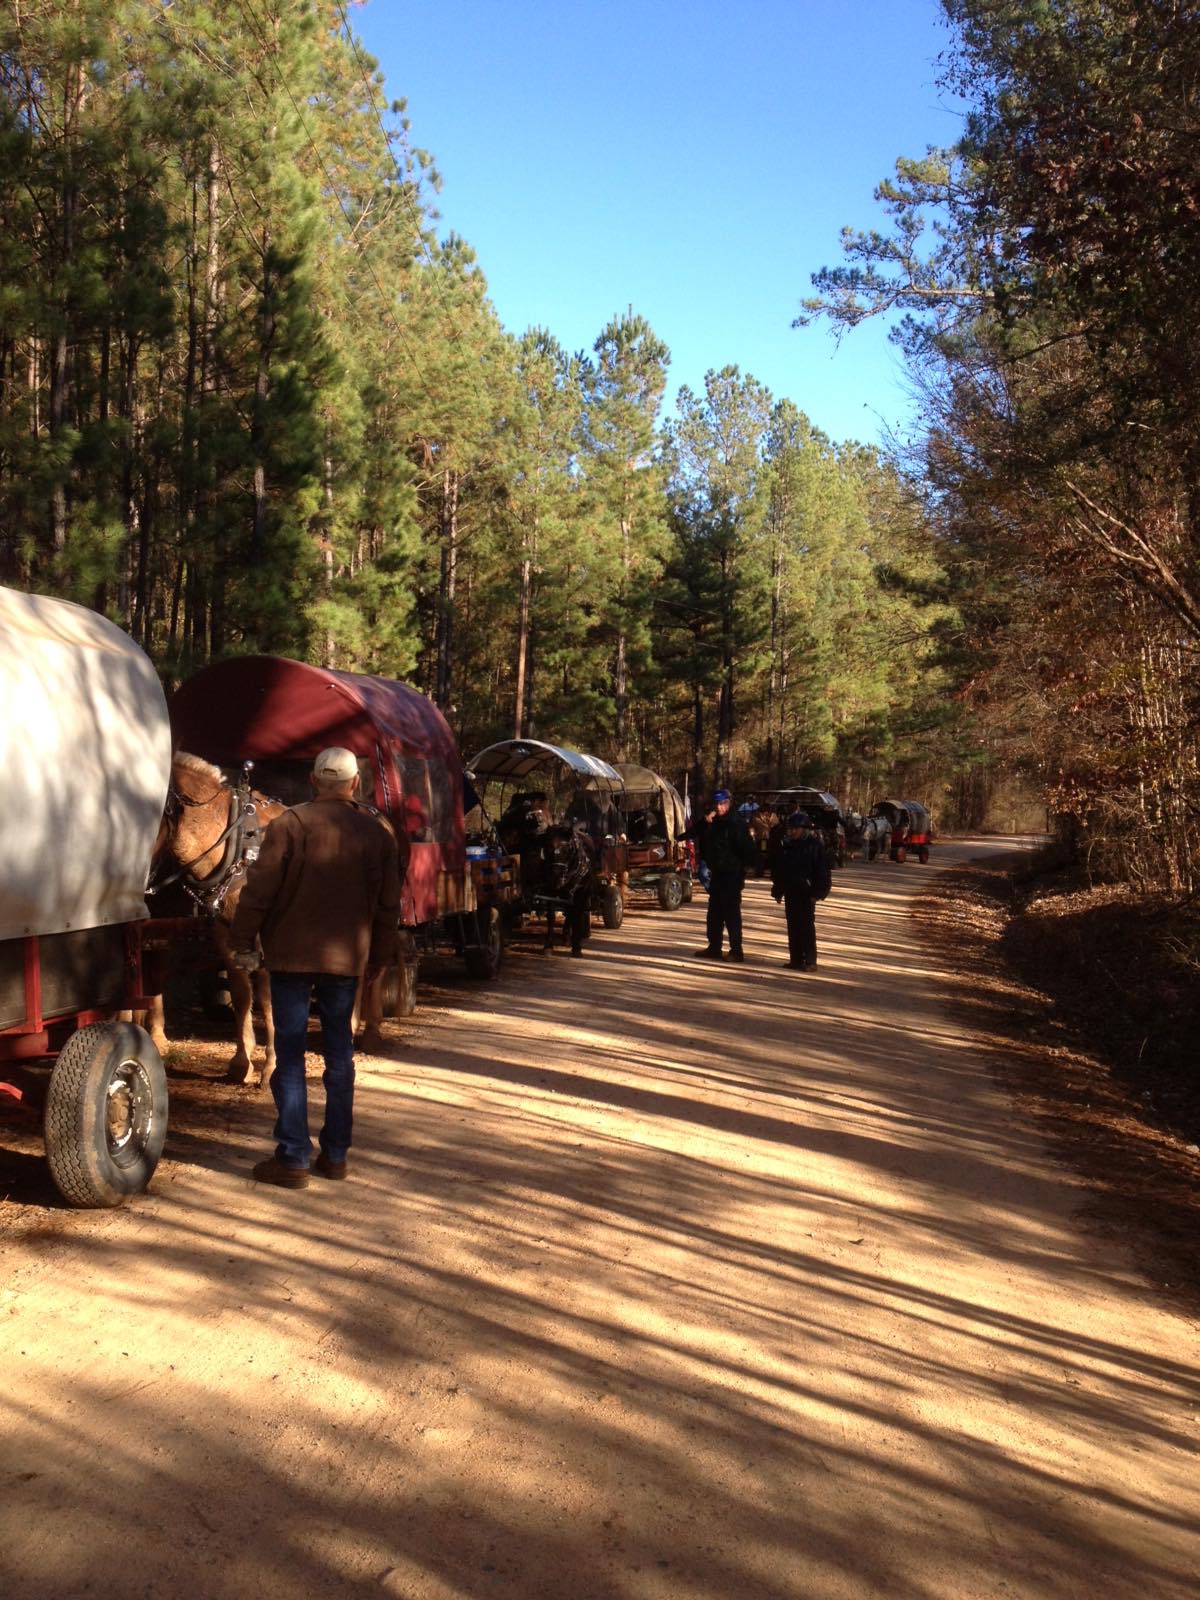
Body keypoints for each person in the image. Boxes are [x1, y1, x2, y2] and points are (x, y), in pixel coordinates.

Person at [230, 747, 402, 1188]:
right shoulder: (376, 834)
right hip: (346, 962)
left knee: (289, 1056)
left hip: (289, 958)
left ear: (313, 780)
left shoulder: (290, 825)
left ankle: (292, 1159)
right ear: (355, 783)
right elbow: (388, 907)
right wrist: (379, 958)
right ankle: (337, 1156)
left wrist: (241, 940)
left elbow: (258, 891)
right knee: (339, 1055)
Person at [691, 788, 757, 962]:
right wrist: (707, 825)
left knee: (731, 914)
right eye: (717, 804)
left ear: (728, 803)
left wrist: (745, 869)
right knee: (714, 913)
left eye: (722, 804)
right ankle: (714, 947)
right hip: (718, 874)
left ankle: (736, 950)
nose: (719, 808)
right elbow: (706, 843)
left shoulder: (736, 823)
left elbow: (748, 850)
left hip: (732, 874)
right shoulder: (714, 823)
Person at [770, 811, 832, 970]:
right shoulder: (787, 846)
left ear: (804, 829)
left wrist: (818, 893)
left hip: (807, 893)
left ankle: (810, 961)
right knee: (793, 926)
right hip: (791, 892)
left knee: (806, 927)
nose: (791, 832)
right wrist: (778, 890)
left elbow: (823, 872)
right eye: (790, 829)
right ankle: (796, 959)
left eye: (795, 829)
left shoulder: (815, 846)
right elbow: (780, 871)